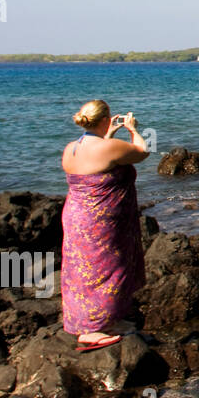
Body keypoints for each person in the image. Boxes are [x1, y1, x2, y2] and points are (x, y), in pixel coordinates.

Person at [59, 99, 150, 351]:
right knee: (110, 269)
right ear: (104, 120)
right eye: (109, 117)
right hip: (102, 220)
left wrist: (108, 135)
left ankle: (98, 321)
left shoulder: (71, 148)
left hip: (76, 216)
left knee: (81, 271)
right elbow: (142, 152)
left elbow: (97, 159)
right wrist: (133, 130)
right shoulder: (109, 148)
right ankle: (96, 328)